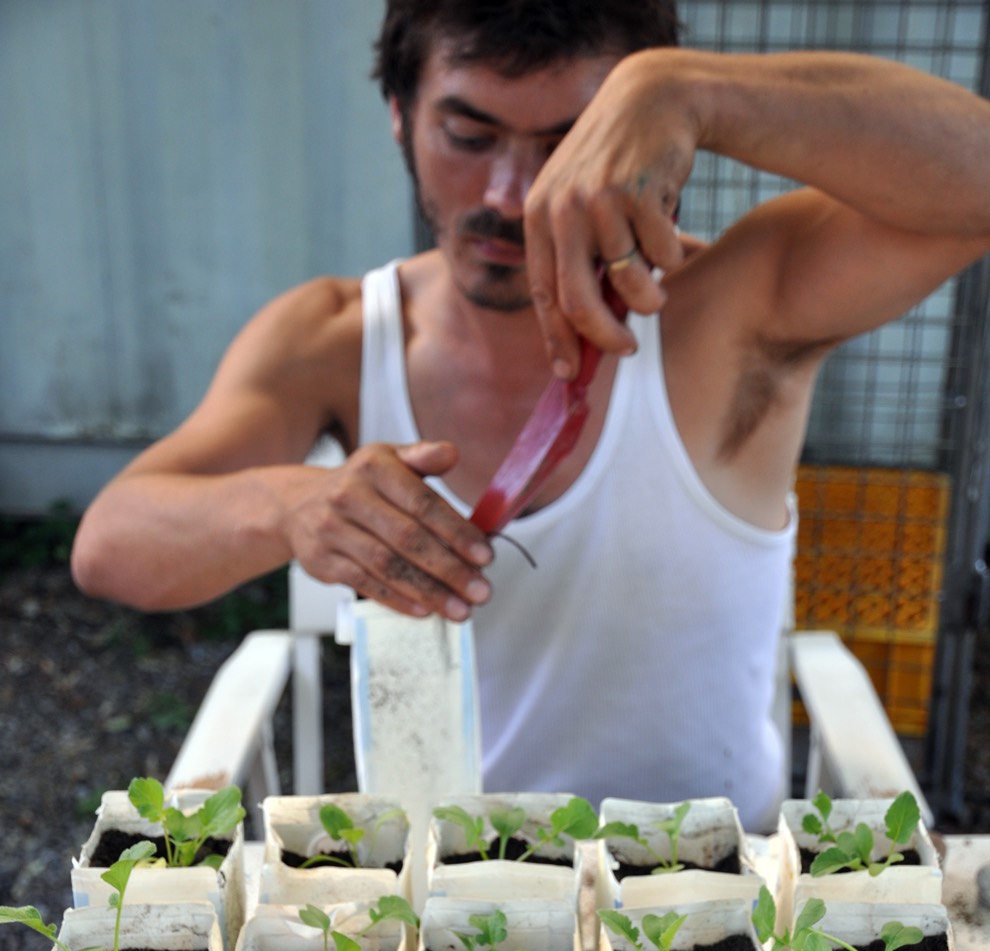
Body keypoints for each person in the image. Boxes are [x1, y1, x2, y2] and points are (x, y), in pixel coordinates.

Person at [71, 1, 990, 830]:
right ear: (399, 114)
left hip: (704, 908)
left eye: (570, 143)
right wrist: (290, 505)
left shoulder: (733, 310)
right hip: (452, 917)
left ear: (647, 145)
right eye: (468, 136)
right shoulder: (340, 335)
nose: (510, 196)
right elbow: (112, 545)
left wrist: (691, 86)